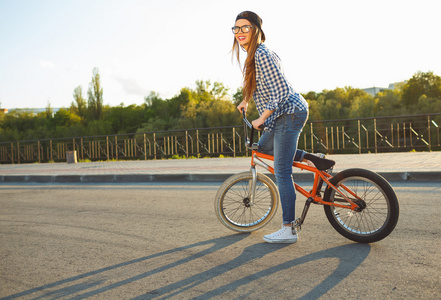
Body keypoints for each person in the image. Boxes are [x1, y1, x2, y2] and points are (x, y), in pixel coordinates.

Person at [232, 11, 333, 243]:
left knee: (282, 171)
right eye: (236, 28)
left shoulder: (262, 54)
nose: (240, 32)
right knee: (264, 148)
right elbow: (255, 84)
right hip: (279, 115)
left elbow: (281, 91)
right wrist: (246, 100)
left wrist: (261, 117)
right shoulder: (251, 55)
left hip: (289, 112)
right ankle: (312, 158)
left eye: (245, 27)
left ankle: (288, 229)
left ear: (256, 29)